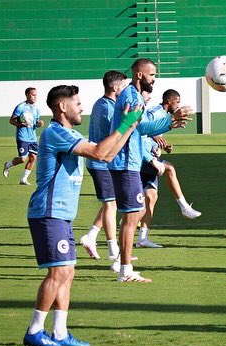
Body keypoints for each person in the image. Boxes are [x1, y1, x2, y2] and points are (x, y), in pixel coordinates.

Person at [23, 85, 141, 346]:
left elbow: (107, 154)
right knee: (59, 272)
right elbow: (99, 152)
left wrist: (129, 127)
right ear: (62, 107)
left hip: (62, 215)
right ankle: (34, 330)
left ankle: (60, 332)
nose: (82, 108)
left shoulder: (70, 133)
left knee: (68, 273)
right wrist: (125, 123)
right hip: (48, 213)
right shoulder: (56, 133)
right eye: (77, 103)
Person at [107, 58, 192, 283]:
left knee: (132, 214)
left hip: (130, 161)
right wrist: (170, 120)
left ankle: (123, 264)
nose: (154, 79)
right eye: (152, 74)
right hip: (126, 161)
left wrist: (168, 124)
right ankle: (124, 268)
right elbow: (141, 125)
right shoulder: (132, 96)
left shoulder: (132, 95)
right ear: (139, 75)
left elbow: (142, 126)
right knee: (131, 216)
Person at [135, 89, 202, 250]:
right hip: (143, 158)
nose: (178, 105)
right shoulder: (153, 112)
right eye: (177, 102)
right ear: (170, 101)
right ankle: (184, 207)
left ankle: (142, 238)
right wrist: (154, 139)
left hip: (151, 156)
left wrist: (162, 146)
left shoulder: (163, 115)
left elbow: (154, 135)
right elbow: (142, 131)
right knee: (170, 169)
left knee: (151, 198)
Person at [78, 71, 127, 262]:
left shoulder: (104, 104)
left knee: (112, 203)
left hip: (103, 162)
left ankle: (91, 236)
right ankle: (113, 251)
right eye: (123, 86)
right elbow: (112, 137)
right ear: (115, 87)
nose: (125, 90)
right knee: (111, 204)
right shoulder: (107, 108)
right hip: (101, 162)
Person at [3, 87, 44, 185]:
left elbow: (36, 122)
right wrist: (20, 124)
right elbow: (11, 120)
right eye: (33, 95)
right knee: (22, 159)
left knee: (33, 157)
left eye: (36, 95)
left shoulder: (36, 109)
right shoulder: (20, 107)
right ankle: (7, 165)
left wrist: (39, 123)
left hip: (32, 137)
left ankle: (23, 179)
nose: (35, 97)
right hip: (22, 137)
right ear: (27, 95)